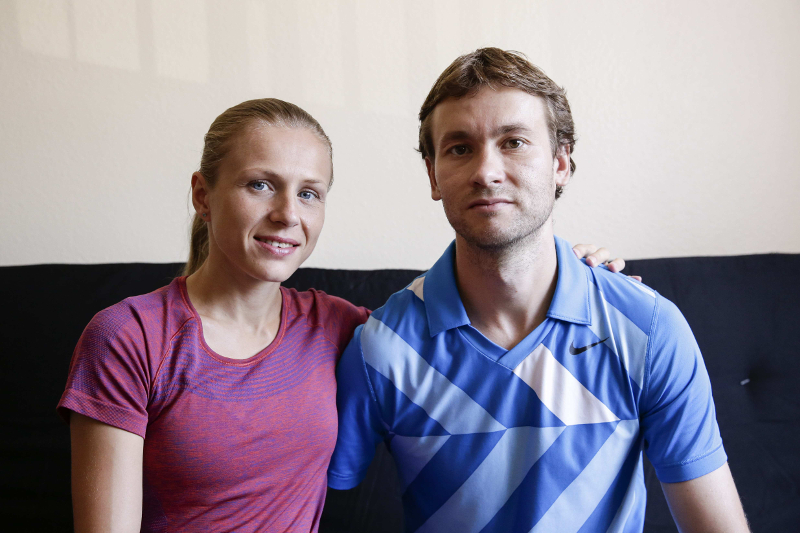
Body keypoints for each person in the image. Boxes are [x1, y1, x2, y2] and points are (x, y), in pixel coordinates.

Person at [58, 97, 622, 532]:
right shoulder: (128, 336)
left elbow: (468, 307)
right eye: (261, 185)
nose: (286, 215)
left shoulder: (339, 328)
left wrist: (565, 269)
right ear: (203, 195)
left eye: (310, 193)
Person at [328, 48, 750, 533]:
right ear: (433, 175)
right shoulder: (380, 347)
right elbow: (306, 507)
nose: (486, 172)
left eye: (513, 142)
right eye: (460, 148)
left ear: (561, 165)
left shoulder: (648, 329)